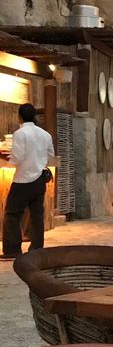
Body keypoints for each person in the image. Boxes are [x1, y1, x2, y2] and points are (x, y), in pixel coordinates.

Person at [2, 103, 55, 260]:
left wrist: (7, 158)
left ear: (19, 116)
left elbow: (17, 158)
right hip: (39, 180)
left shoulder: (20, 133)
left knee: (12, 214)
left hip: (23, 180)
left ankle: (12, 251)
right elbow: (51, 156)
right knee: (37, 216)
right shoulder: (45, 134)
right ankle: (36, 249)